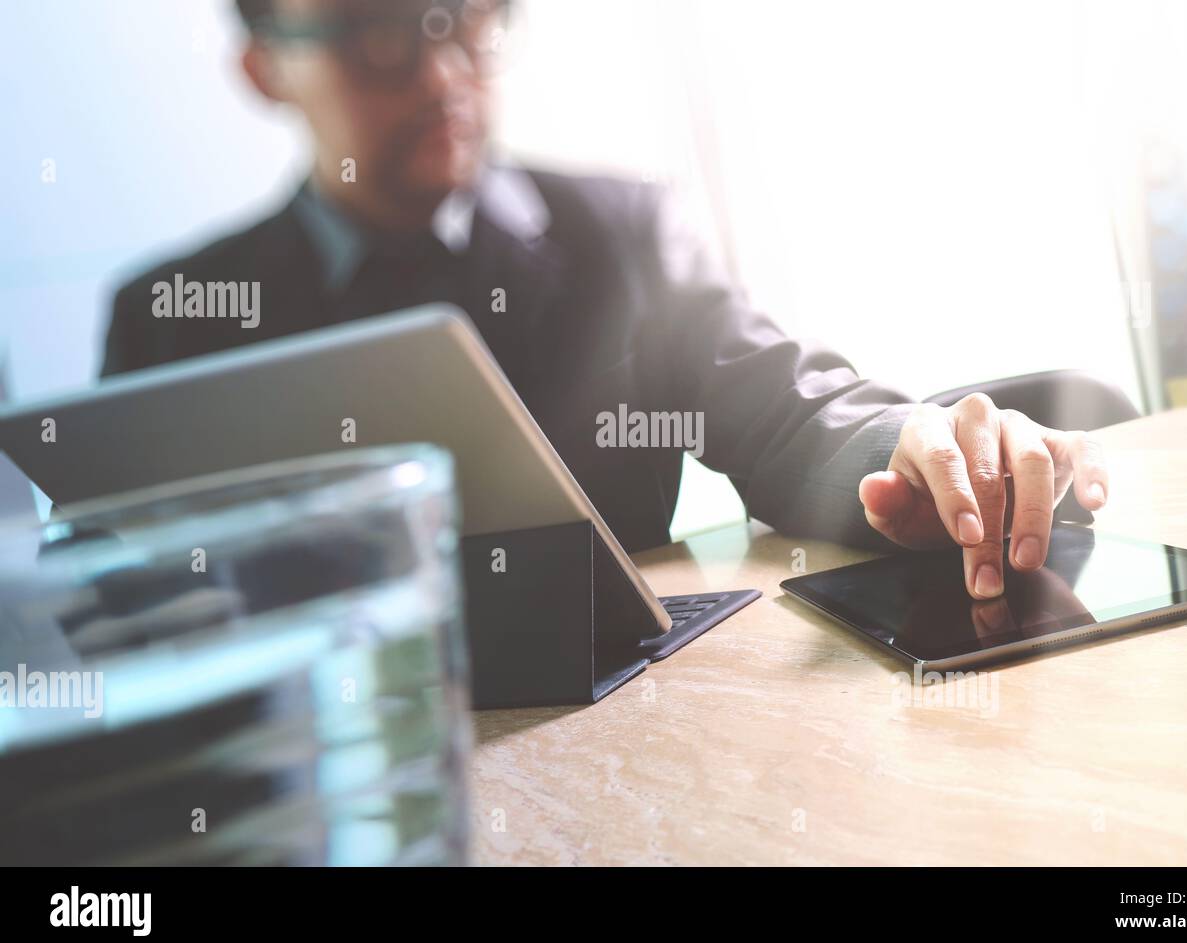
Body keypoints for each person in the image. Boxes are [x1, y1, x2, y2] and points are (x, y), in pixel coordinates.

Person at [102, 0, 1112, 601]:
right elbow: (133, 605)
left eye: (469, 18)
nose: (445, 72)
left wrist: (909, 447)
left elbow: (788, 409)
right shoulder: (173, 317)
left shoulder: (623, 233)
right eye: (379, 35)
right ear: (261, 66)